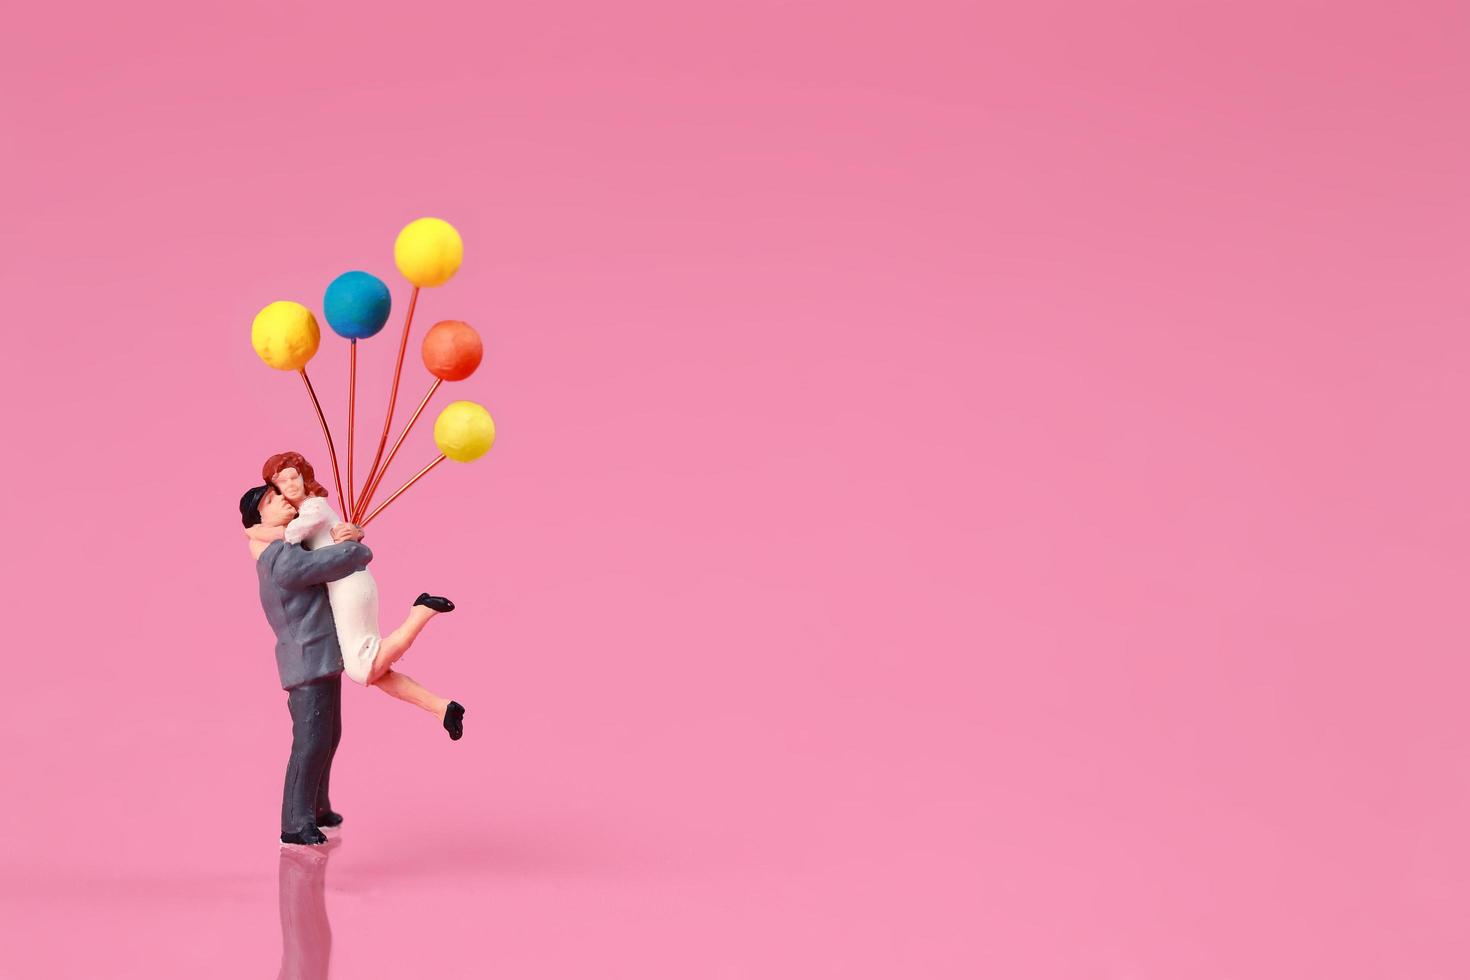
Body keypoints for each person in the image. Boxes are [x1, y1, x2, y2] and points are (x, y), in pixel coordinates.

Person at [244, 451, 466, 741]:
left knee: (363, 669)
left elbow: (290, 540)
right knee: (377, 674)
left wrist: (254, 531)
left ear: (304, 476)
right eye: (281, 485)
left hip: (348, 587)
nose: (289, 487)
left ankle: (421, 612)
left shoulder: (311, 509)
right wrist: (355, 533)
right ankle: (442, 708)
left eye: (293, 477)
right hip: (345, 588)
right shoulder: (306, 514)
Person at [242, 482, 369, 845]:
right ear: (259, 517)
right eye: (271, 499)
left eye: (280, 494)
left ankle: (317, 807)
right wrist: (356, 544)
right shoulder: (281, 558)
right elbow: (332, 562)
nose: (282, 498)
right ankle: (296, 823)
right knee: (311, 740)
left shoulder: (288, 548)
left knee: (329, 736)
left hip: (320, 656)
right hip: (307, 659)